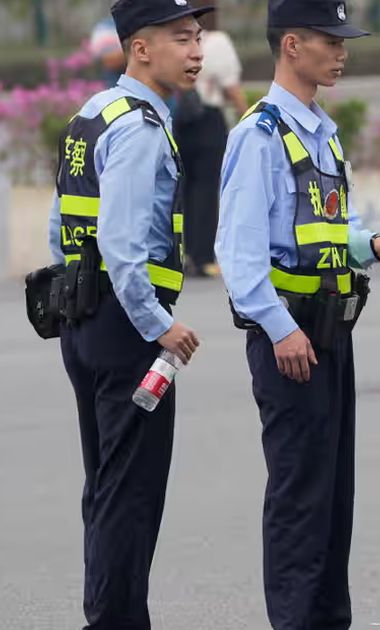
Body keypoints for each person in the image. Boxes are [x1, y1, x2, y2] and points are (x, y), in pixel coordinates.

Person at [213, 1, 380, 627]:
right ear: (292, 44)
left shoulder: (321, 129)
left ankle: (327, 620)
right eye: (330, 39)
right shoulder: (259, 135)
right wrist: (280, 327)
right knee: (298, 496)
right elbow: (237, 255)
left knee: (332, 494)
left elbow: (326, 225)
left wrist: (371, 245)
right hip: (289, 339)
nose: (341, 52)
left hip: (330, 333)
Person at [46, 0, 209, 626]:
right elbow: (121, 240)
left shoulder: (92, 113)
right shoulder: (140, 127)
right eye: (179, 38)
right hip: (126, 331)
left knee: (107, 485)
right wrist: (156, 323)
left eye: (197, 37)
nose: (195, 51)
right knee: (130, 494)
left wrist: (72, 295)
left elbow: (63, 224)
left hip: (82, 320)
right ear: (141, 49)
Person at [175, 0, 246, 277]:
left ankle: (183, 254)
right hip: (208, 120)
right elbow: (230, 86)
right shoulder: (217, 41)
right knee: (206, 189)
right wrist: (248, 114)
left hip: (179, 121)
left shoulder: (176, 40)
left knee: (182, 189)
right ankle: (203, 257)